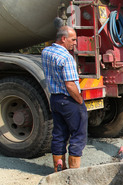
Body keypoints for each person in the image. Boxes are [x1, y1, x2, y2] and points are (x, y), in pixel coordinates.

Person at [41, 26, 87, 171]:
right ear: (63, 39)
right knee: (78, 136)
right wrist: (79, 101)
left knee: (59, 134)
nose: (75, 43)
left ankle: (59, 170)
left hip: (55, 99)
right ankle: (73, 174)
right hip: (69, 101)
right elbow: (70, 84)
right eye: (73, 39)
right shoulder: (67, 58)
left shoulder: (46, 52)